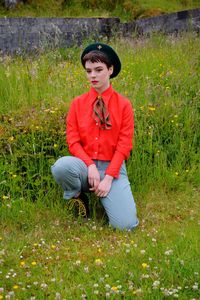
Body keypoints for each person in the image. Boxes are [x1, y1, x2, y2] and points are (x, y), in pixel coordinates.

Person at [51, 43, 139, 230]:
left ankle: (109, 196)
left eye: (98, 70)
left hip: (112, 167)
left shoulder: (124, 105)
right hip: (84, 165)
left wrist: (108, 178)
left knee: (126, 226)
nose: (93, 75)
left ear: (110, 69)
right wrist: (89, 165)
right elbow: (73, 141)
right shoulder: (77, 104)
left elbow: (124, 145)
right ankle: (78, 198)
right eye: (88, 70)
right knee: (61, 167)